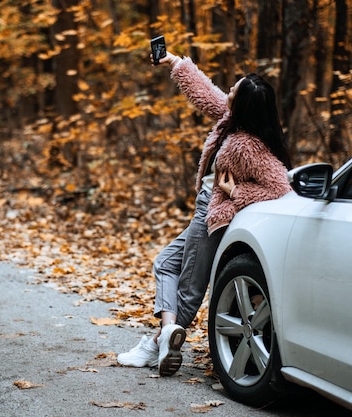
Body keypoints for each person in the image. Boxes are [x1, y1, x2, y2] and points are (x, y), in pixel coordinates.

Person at [117, 50, 293, 377]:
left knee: (190, 287)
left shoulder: (248, 146)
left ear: (241, 105)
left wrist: (235, 192)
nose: (226, 93)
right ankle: (166, 336)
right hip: (206, 206)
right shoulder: (230, 121)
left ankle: (158, 342)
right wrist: (176, 64)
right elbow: (207, 95)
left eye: (233, 91)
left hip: (215, 214)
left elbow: (281, 188)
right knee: (166, 263)